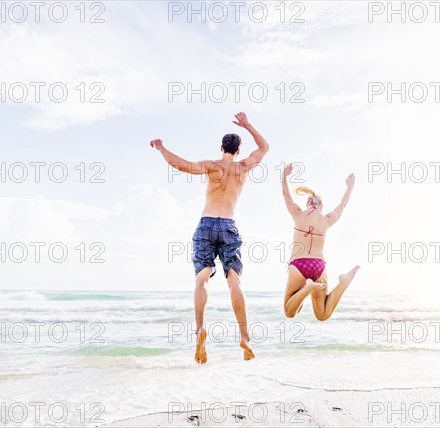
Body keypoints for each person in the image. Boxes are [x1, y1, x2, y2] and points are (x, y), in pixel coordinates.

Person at [150, 112, 269, 364]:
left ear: (221, 148)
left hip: (206, 224)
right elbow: (264, 147)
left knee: (202, 278)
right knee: (234, 280)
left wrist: (162, 148)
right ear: (237, 151)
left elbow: (180, 165)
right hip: (228, 225)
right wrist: (247, 125)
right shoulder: (244, 167)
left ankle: (200, 329)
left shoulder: (211, 166)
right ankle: (245, 337)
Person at [281, 163, 360, 320]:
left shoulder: (298, 214)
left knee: (289, 312)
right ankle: (343, 283)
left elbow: (286, 194)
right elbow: (343, 205)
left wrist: (284, 175)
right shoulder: (327, 219)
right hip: (319, 265)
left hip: (299, 264)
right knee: (322, 314)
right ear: (321, 206)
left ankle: (307, 288)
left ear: (307, 203)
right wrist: (349, 187)